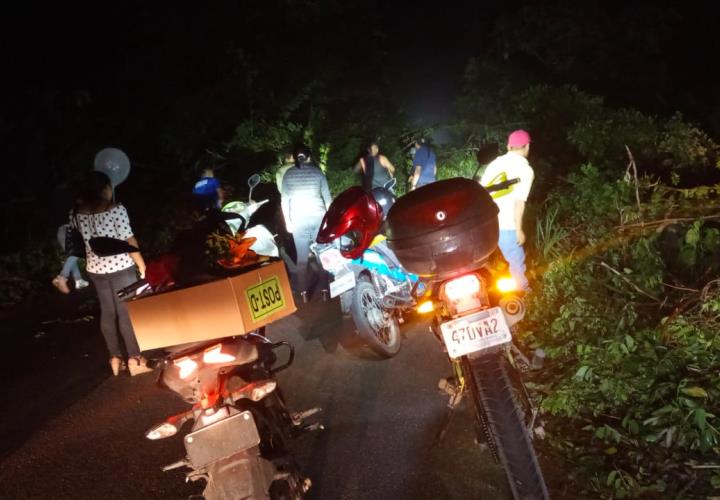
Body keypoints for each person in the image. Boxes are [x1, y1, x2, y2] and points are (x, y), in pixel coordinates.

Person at [72, 171, 152, 376]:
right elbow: (129, 240)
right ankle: (135, 358)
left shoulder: (75, 212)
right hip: (121, 267)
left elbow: (79, 240)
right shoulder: (115, 209)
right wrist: (142, 266)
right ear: (103, 189)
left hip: (95, 269)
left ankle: (114, 358)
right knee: (126, 312)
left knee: (107, 312)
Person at [480, 129, 534, 291]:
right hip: (506, 224)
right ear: (527, 147)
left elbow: (482, 190)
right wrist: (519, 229)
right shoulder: (525, 170)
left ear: (509, 146)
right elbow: (519, 202)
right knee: (516, 258)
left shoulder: (495, 163)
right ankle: (523, 292)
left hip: (485, 221)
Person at [280, 145, 332, 301]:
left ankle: (303, 294)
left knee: (301, 259)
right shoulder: (318, 172)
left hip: (299, 219)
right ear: (309, 157)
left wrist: (288, 221)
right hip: (318, 218)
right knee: (322, 256)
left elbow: (284, 200)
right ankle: (324, 290)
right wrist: (330, 221)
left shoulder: (288, 174)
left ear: (296, 157)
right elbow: (328, 199)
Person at [51, 224, 90, 293]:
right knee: (75, 253)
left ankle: (78, 280)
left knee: (73, 256)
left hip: (63, 232)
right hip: (68, 231)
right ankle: (62, 276)